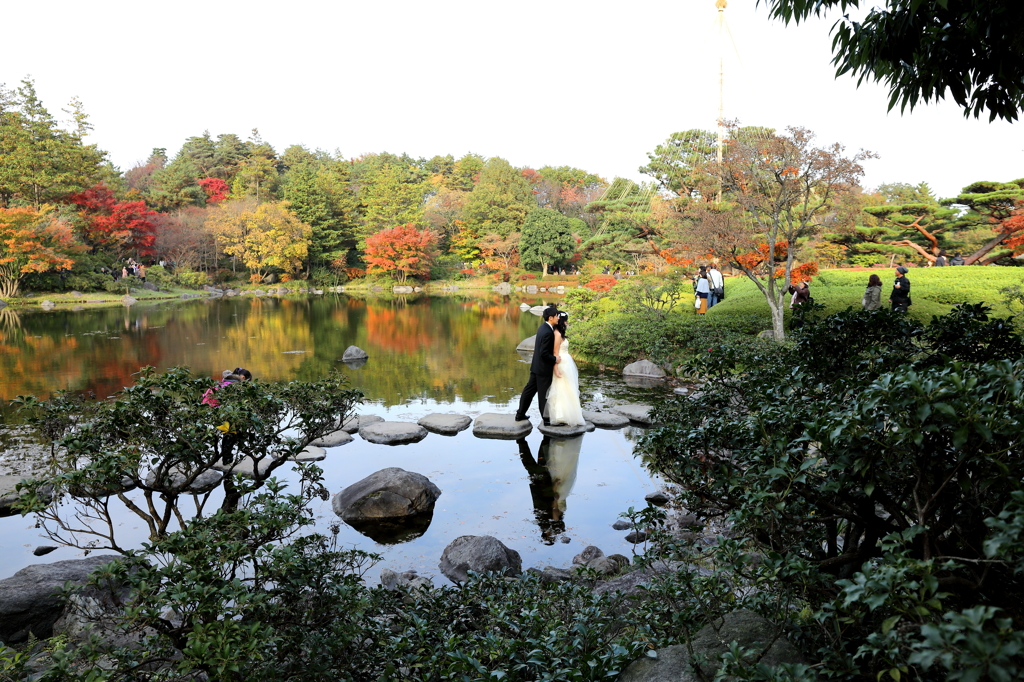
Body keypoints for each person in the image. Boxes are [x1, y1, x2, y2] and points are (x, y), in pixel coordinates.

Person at [515, 306, 560, 425]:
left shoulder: (543, 327)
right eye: (556, 316)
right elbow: (544, 353)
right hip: (543, 369)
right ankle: (546, 420)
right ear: (551, 318)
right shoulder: (547, 332)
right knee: (544, 395)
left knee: (528, 391)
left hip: (536, 367)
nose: (558, 318)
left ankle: (520, 414)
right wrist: (555, 358)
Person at [544, 312, 585, 427]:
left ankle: (570, 413)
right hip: (561, 363)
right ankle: (560, 415)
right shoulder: (556, 334)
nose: (567, 323)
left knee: (569, 388)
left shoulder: (560, 333)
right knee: (561, 388)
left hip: (567, 363)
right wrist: (556, 369)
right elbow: (555, 352)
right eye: (566, 321)